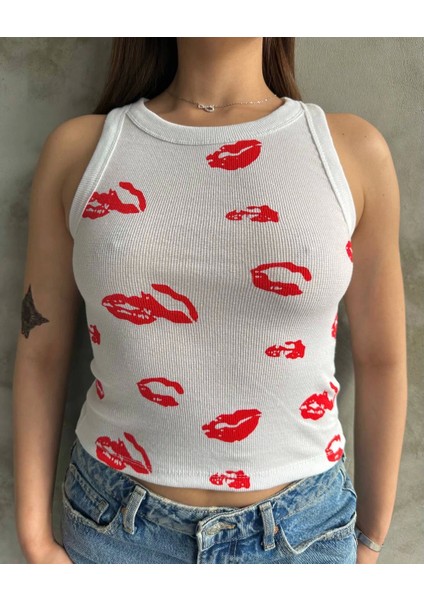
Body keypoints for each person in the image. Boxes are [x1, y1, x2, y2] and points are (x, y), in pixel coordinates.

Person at [12, 37, 407, 564]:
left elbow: (382, 357)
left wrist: (371, 540)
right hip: (115, 529)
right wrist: (35, 540)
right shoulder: (82, 150)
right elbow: (40, 351)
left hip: (306, 531)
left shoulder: (348, 150)